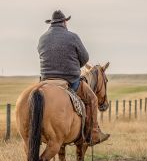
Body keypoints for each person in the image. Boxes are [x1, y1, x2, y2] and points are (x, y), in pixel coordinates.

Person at [38, 10, 110, 145]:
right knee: (93, 99)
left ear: (51, 23)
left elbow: (41, 55)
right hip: (70, 80)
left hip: (46, 80)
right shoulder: (73, 37)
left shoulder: (42, 38)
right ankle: (94, 133)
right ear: (65, 22)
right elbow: (85, 58)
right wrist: (74, 64)